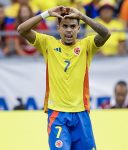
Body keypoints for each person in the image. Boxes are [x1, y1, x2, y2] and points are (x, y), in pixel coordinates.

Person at [17, 6, 110, 149]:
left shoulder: (86, 45)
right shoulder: (48, 43)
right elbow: (22, 30)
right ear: (58, 28)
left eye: (73, 26)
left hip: (81, 113)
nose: (69, 30)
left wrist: (83, 16)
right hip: (57, 114)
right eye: (65, 26)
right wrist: (47, 14)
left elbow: (106, 34)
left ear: (78, 29)